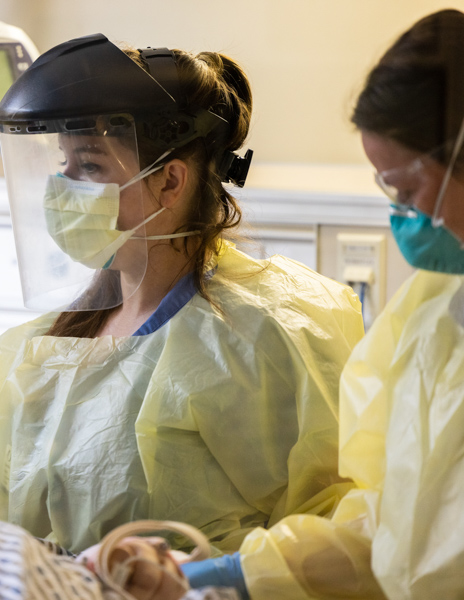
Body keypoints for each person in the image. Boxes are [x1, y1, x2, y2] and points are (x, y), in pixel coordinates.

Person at [0, 33, 364, 557]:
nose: (62, 188)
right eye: (63, 164)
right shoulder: (62, 341)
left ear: (170, 181)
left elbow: (332, 539)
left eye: (90, 166)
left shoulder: (263, 335)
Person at [123, 9, 464, 599]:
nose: (401, 215)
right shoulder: (435, 311)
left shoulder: (273, 324)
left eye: (407, 190)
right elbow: (391, 525)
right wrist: (239, 574)